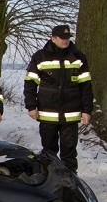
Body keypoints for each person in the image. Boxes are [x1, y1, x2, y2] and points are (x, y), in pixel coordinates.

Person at [23, 24, 93, 172]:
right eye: (62, 38)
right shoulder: (40, 57)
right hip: (48, 113)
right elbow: (30, 83)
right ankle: (49, 180)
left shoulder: (78, 57)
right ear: (53, 38)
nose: (65, 41)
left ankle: (70, 183)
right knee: (49, 152)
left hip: (71, 114)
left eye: (67, 38)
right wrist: (31, 106)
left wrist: (87, 110)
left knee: (69, 153)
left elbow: (86, 86)